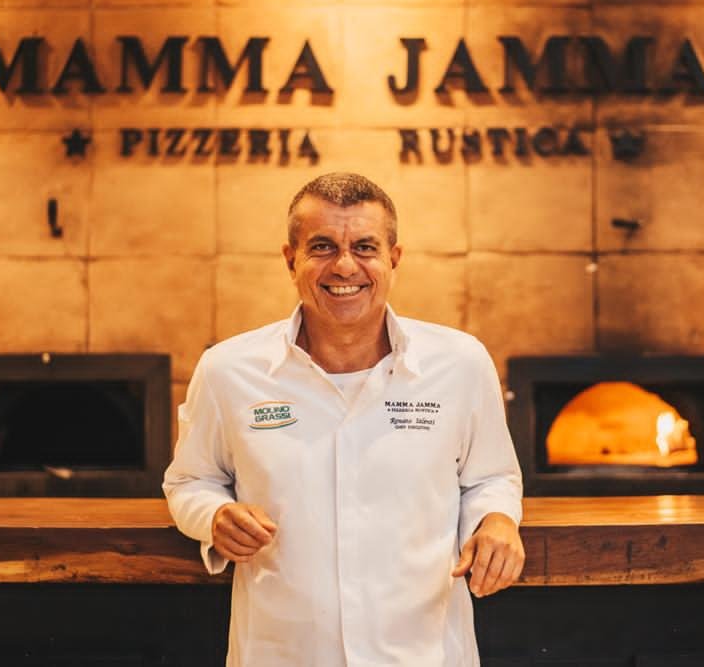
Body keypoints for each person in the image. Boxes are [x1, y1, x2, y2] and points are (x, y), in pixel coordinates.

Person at [163, 172, 524, 666]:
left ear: (394, 258)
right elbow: (190, 480)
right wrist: (213, 517)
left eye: (365, 247)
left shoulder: (460, 363)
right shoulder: (228, 370)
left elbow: (492, 477)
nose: (346, 265)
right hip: (283, 654)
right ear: (290, 259)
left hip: (424, 651)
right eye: (322, 247)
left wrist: (498, 519)